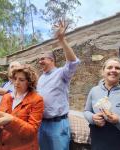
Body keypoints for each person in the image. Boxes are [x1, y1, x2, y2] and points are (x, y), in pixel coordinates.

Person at [37, 20, 80, 150]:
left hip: (58, 124)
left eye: (42, 58)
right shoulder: (40, 78)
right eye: (39, 59)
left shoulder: (61, 73)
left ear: (51, 60)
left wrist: (62, 39)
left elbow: (73, 62)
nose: (40, 62)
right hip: (41, 124)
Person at [0, 64, 44, 150]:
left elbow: (32, 132)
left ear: (29, 82)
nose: (16, 82)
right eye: (15, 79)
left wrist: (11, 120)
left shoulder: (37, 100)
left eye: (21, 80)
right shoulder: (7, 97)